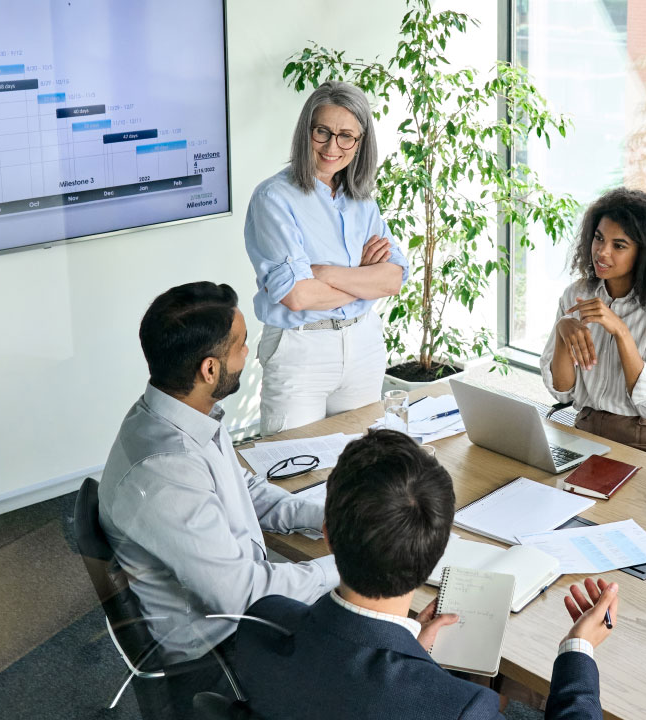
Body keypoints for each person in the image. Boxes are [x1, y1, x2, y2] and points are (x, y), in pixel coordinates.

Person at [233, 429, 617, 719]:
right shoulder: (458, 707)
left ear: (328, 535)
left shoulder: (261, 624)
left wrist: (412, 646)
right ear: (436, 556)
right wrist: (578, 651)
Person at [98, 282, 338, 715]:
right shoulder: (165, 470)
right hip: (217, 657)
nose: (250, 355)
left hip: (233, 609)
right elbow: (244, 597)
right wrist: (350, 564)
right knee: (376, 649)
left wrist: (335, 518)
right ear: (210, 369)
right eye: (241, 346)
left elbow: (246, 490)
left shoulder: (183, 415)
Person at [244, 81, 409, 436]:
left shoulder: (363, 199)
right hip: (301, 348)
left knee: (363, 470)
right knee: (293, 470)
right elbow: (298, 295)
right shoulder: (274, 198)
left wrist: (324, 273)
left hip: (363, 345)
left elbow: (393, 279)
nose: (333, 146)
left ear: (360, 142)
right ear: (307, 131)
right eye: (323, 132)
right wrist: (364, 279)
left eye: (346, 135)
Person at [540, 187, 646, 461]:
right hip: (587, 428)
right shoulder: (575, 295)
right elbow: (562, 391)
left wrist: (620, 331)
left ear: (645, 253)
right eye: (598, 238)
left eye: (619, 245)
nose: (602, 252)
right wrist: (562, 333)